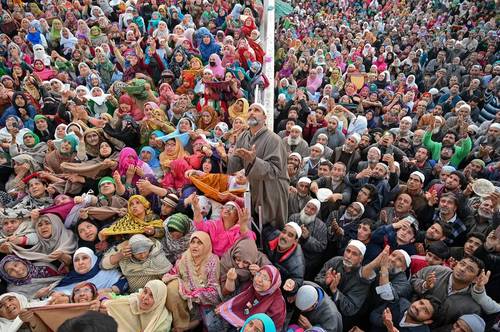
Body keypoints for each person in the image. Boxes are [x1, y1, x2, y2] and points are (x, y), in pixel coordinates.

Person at [226, 103, 289, 229]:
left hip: (271, 189)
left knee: (269, 229)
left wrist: (254, 161)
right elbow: (238, 159)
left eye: (256, 110)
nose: (252, 112)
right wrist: (235, 169)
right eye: (250, 110)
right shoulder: (243, 136)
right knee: (251, 225)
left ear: (265, 118)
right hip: (251, 187)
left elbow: (274, 170)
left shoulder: (274, 139)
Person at [217, 265, 286, 331]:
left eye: (265, 278)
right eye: (258, 274)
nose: (258, 280)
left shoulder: (277, 305)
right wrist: (224, 308)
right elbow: (235, 300)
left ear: (273, 283)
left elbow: (271, 328)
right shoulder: (250, 288)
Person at [106, 280, 172, 332]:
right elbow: (114, 300)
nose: (145, 297)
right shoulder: (136, 299)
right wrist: (103, 298)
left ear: (159, 300)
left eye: (152, 295)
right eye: (145, 292)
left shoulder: (163, 321)